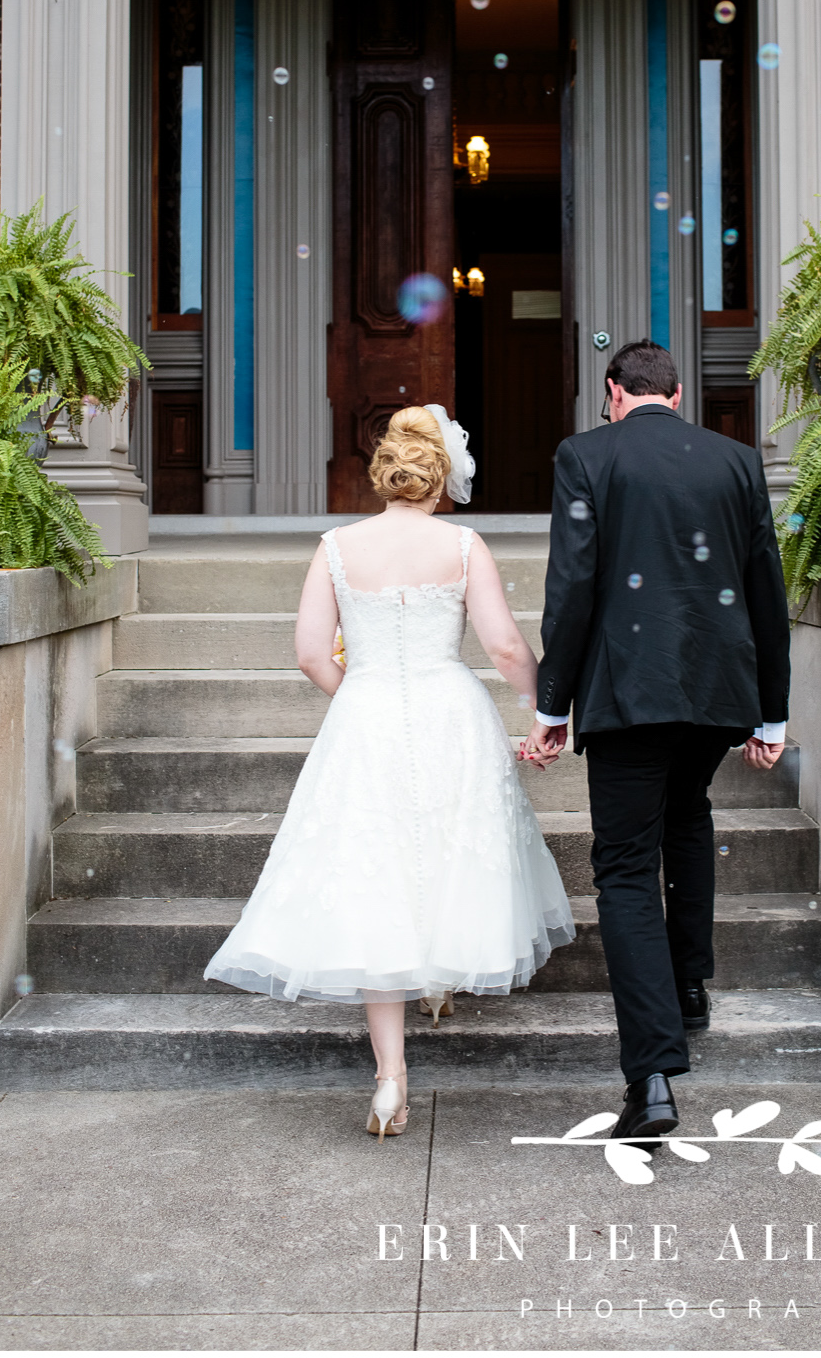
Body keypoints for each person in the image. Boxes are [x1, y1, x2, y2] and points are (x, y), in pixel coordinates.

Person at [204, 405, 574, 1138]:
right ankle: (437, 978)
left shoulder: (337, 547)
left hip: (368, 713)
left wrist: (360, 700)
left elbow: (312, 652)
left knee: (375, 871)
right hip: (450, 710)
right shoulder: (465, 545)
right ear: (443, 475)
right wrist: (546, 711)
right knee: (445, 847)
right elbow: (501, 646)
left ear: (386, 470)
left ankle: (389, 1079)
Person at [522, 339, 790, 1145]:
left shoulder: (586, 456)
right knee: (689, 820)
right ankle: (692, 989)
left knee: (627, 869)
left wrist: (551, 703)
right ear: (674, 395)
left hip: (629, 692)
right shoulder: (737, 461)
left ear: (614, 392)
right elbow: (765, 588)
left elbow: (572, 583)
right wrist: (770, 713)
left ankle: (653, 1080)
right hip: (717, 689)